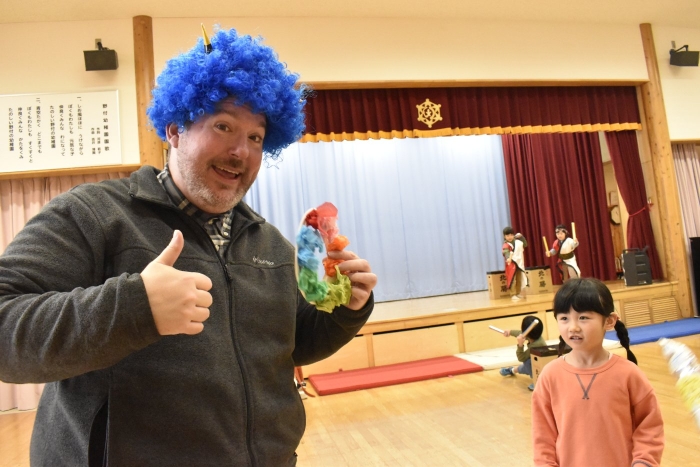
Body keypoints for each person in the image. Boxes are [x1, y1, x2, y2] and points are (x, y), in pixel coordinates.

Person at [0, 28, 377, 466]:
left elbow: (289, 347)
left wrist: (345, 310)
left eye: (256, 137)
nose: (241, 151)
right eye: (223, 126)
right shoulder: (93, 215)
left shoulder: (270, 243)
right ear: (175, 129)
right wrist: (135, 307)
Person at [531, 278, 664, 467]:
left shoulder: (629, 374)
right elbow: (543, 435)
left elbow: (650, 425)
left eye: (583, 318)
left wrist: (644, 461)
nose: (573, 327)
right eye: (564, 318)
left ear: (609, 321)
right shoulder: (550, 375)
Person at [498, 316, 546, 391]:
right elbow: (521, 333)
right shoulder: (534, 336)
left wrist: (520, 345)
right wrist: (510, 332)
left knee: (527, 361)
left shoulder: (536, 345)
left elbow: (521, 358)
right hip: (534, 364)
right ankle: (511, 370)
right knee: (523, 368)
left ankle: (537, 382)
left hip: (540, 366)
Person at [502, 226, 528, 300]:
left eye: (511, 235)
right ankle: (513, 294)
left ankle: (518, 293)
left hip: (519, 263)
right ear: (504, 236)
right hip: (511, 264)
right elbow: (506, 252)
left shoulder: (518, 242)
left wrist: (521, 237)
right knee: (512, 280)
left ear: (513, 235)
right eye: (507, 235)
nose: (509, 237)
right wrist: (508, 258)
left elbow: (525, 244)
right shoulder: (506, 245)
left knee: (519, 279)